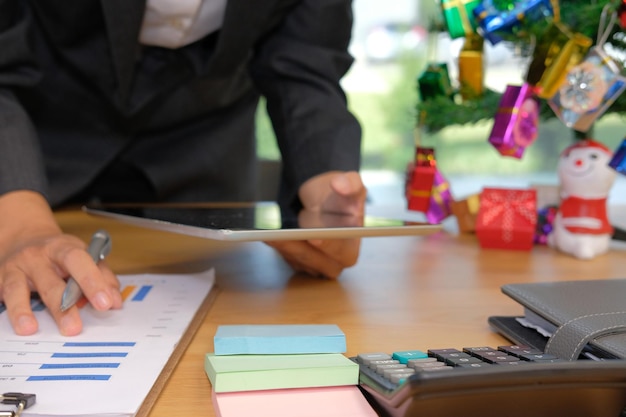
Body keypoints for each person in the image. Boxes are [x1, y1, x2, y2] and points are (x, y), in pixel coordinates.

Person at [0, 0, 366, 336]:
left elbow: (307, 60)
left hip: (207, 142)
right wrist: (22, 227)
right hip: (37, 130)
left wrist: (323, 184)